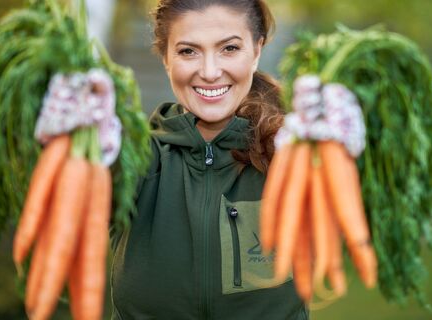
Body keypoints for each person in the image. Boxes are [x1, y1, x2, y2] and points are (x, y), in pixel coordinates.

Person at [110, 0, 308, 318]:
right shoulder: (133, 155)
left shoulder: (293, 153)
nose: (210, 72)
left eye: (229, 49)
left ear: (256, 51)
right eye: (189, 51)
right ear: (165, 58)